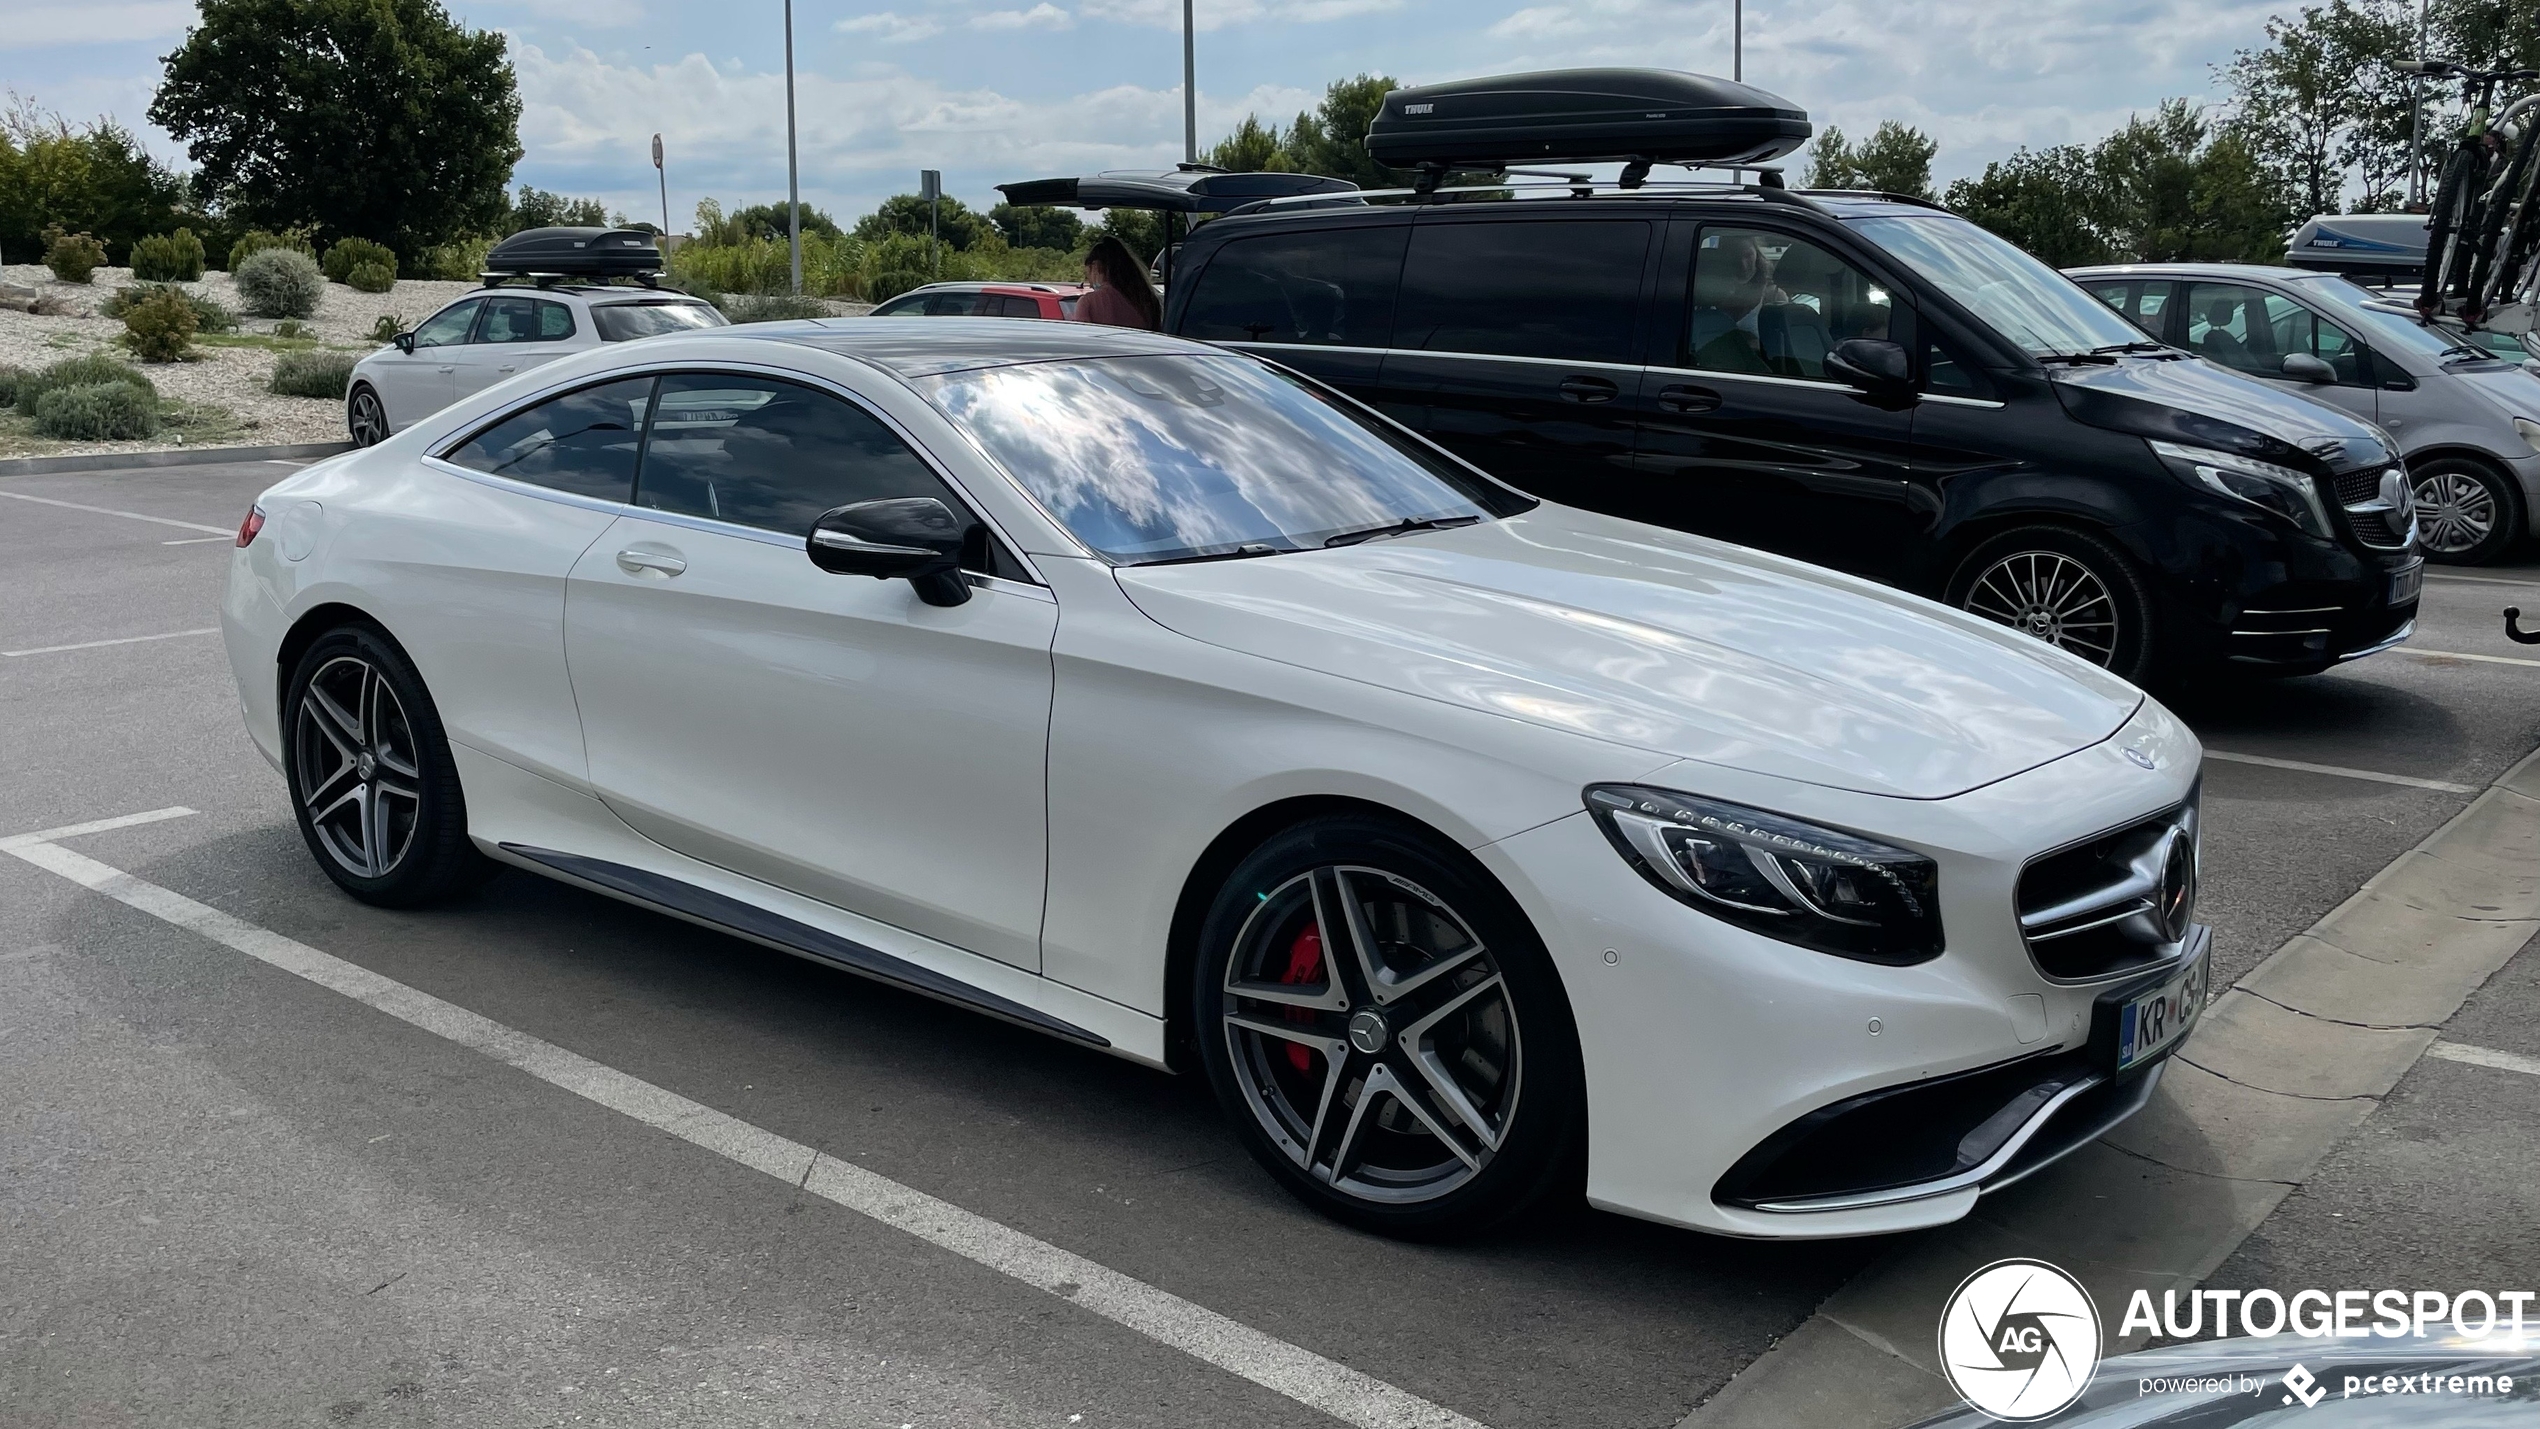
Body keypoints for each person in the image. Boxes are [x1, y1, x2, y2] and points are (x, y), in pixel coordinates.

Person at [1073, 235, 1162, 331]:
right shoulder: (1148, 300)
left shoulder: (1088, 303)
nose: (1090, 284)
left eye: (1088, 275)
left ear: (1096, 267)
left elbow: (1081, 341)